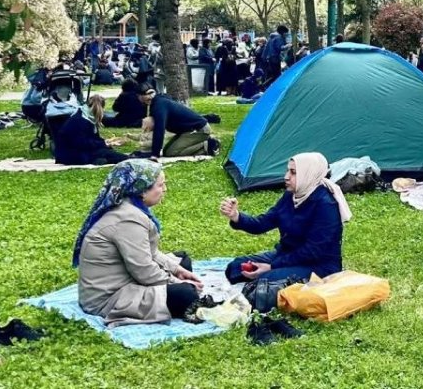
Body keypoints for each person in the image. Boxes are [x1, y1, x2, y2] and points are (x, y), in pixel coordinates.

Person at [76, 160, 204, 326]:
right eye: (160, 185)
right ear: (142, 191)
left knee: (182, 260)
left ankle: (175, 284)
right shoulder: (128, 219)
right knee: (187, 294)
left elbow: (151, 253)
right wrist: (178, 282)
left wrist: (176, 270)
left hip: (127, 280)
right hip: (109, 298)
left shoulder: (129, 208)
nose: (164, 189)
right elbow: (143, 270)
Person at [221, 152, 351, 284]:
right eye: (288, 171)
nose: (286, 177)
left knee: (264, 282)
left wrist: (272, 267)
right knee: (236, 268)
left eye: (293, 172)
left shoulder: (325, 204)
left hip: (318, 266)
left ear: (308, 174)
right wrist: (236, 216)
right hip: (286, 255)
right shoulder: (292, 195)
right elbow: (262, 223)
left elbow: (313, 250)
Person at [138, 86, 214, 158]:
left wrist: (155, 154)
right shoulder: (158, 102)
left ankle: (208, 146)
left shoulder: (159, 105)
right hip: (188, 130)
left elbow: (159, 129)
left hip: (199, 130)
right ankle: (203, 144)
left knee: (171, 152)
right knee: (166, 151)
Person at [54, 96, 130, 166]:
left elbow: (92, 138)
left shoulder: (84, 116)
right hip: (71, 155)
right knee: (104, 153)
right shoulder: (81, 120)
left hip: (71, 152)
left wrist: (106, 142)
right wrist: (103, 143)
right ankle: (128, 158)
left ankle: (103, 159)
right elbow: (83, 143)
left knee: (107, 151)